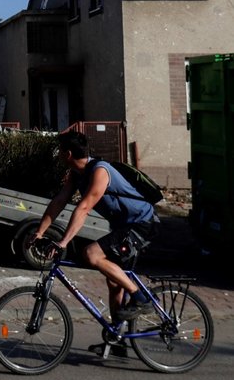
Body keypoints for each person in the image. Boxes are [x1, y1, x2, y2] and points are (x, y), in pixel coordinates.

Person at [31, 131, 159, 343]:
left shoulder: (100, 172)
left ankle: (141, 298)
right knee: (114, 281)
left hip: (141, 223)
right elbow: (59, 202)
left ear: (68, 154)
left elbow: (84, 208)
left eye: (59, 151)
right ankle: (117, 338)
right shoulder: (76, 174)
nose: (58, 155)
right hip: (123, 226)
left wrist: (63, 242)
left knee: (91, 254)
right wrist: (40, 232)